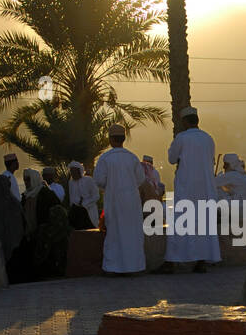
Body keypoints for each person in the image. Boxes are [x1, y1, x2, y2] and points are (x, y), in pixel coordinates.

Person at [157, 106, 221, 273]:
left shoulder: (182, 138)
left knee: (180, 222)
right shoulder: (208, 138)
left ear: (185, 121)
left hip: (187, 187)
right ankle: (201, 261)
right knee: (203, 224)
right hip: (206, 189)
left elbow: (171, 159)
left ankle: (172, 261)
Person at [93, 122, 146, 275]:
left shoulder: (105, 158)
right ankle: (134, 267)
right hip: (132, 202)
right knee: (132, 233)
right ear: (123, 139)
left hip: (114, 201)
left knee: (115, 234)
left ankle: (114, 268)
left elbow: (99, 180)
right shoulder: (132, 158)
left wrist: (111, 187)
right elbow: (140, 179)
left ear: (110, 139)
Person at [68, 160, 99, 229]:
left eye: (74, 171)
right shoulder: (71, 183)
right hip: (76, 214)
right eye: (71, 171)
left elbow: (96, 196)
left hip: (89, 211)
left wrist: (85, 204)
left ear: (79, 171)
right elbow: (71, 198)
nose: (72, 173)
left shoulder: (88, 180)